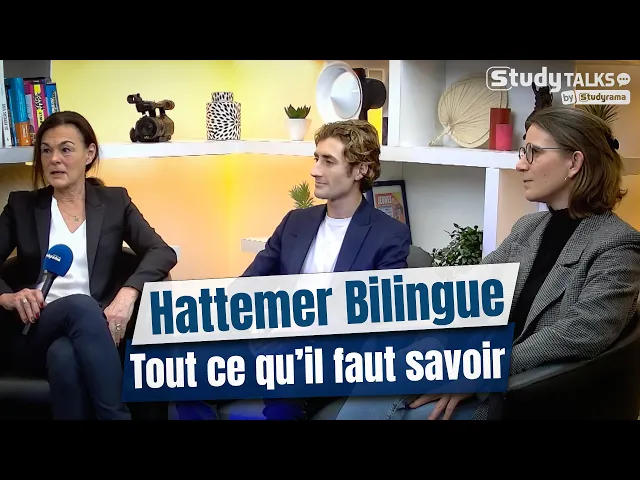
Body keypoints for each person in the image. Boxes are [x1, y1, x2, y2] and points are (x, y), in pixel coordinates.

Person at [320, 105, 640, 420]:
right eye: (523, 151)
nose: (520, 164)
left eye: (533, 152)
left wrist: (482, 371)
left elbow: (582, 330)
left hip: (520, 390)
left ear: (574, 162)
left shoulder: (617, 244)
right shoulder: (530, 228)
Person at [172, 119, 411, 420]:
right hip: (271, 341)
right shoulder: (296, 222)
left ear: (360, 170)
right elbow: (248, 285)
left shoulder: (388, 234)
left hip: (331, 357)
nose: (315, 170)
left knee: (281, 368)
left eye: (328, 161)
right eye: (316, 158)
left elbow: (384, 314)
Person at [0, 111, 178, 420]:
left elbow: (161, 252)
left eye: (66, 149)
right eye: (46, 150)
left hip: (96, 334)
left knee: (64, 356)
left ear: (89, 153)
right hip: (35, 328)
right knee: (80, 305)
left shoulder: (114, 202)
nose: (54, 159)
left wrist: (128, 293)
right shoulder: (22, 206)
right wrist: (8, 297)